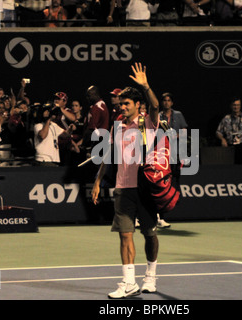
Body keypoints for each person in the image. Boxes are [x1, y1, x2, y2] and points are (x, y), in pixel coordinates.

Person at [91, 62, 160, 299]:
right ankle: (129, 282)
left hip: (145, 188)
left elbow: (156, 105)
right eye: (121, 103)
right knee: (125, 234)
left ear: (137, 105)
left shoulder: (148, 122)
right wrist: (99, 180)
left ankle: (150, 275)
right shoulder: (118, 125)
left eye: (126, 103)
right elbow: (109, 155)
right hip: (122, 187)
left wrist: (146, 85)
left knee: (149, 233)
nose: (122, 107)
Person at [156, 92, 188, 228]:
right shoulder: (157, 116)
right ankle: (159, 217)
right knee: (161, 184)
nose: (166, 103)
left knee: (173, 184)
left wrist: (174, 136)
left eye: (169, 100)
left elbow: (185, 132)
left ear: (172, 103)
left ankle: (164, 212)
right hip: (162, 155)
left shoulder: (178, 115)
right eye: (164, 100)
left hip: (175, 155)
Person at [216, 97, 242, 164]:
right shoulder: (226, 119)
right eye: (234, 105)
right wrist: (222, 139)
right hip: (231, 149)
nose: (236, 107)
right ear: (231, 106)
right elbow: (218, 132)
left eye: (238, 105)